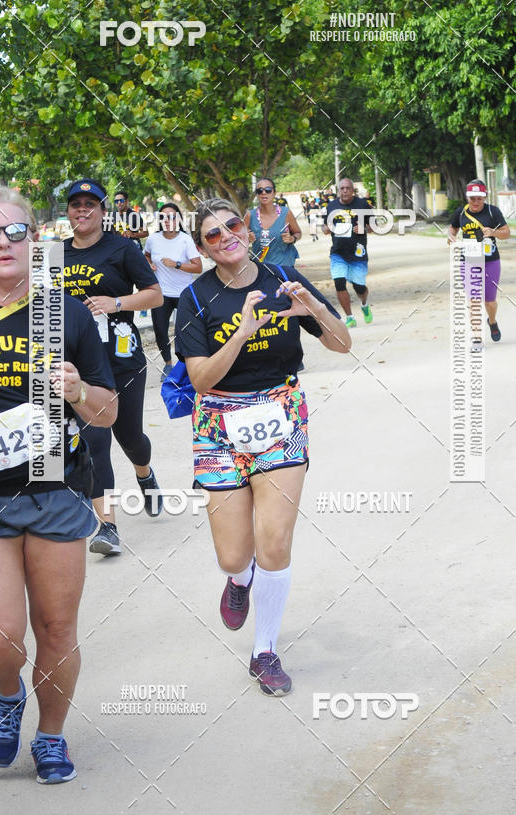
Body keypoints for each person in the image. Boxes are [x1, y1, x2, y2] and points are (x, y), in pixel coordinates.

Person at [0, 187, 117, 783]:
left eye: (15, 232)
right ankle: (7, 693)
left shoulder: (64, 313)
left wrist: (78, 391)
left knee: (55, 628)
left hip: (55, 487)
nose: (3, 243)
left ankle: (51, 735)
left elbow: (106, 412)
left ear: (36, 238)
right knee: (1, 637)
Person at [175, 198, 351, 696]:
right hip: (218, 421)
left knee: (274, 540)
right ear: (203, 248)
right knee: (234, 555)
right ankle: (239, 579)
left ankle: (265, 650)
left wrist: (313, 309)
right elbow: (200, 380)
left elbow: (342, 344)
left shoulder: (282, 278)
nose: (226, 236)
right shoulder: (195, 299)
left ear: (248, 232)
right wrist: (242, 333)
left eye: (232, 225)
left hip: (280, 411)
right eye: (212, 234)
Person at [63, 179, 164, 556]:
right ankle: (107, 527)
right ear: (67, 212)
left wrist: (116, 303)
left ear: (103, 211)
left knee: (130, 437)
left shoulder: (122, 247)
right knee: (95, 441)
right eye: (76, 204)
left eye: (90, 204)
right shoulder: (53, 255)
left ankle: (144, 473)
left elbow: (155, 295)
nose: (82, 209)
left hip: (122, 358)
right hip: (81, 364)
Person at [143, 201, 202, 381]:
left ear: (178, 219)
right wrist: (149, 264)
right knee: (160, 331)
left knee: (183, 331)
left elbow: (198, 267)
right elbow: (146, 255)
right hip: (161, 294)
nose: (167, 220)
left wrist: (176, 264)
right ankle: (168, 364)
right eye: (163, 217)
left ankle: (187, 365)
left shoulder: (185, 240)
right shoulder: (153, 239)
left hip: (183, 293)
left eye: (171, 216)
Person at [447, 179, 510, 342]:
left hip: (491, 261)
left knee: (489, 301)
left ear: (485, 197)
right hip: (469, 261)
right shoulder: (461, 212)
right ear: (467, 197)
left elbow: (506, 233)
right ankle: (476, 336)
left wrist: (494, 233)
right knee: (474, 300)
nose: (475, 202)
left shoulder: (492, 212)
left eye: (479, 198)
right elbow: (453, 227)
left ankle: (492, 321)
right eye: (472, 198)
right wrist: (451, 236)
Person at [322, 177, 375, 327]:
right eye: (342, 188)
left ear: (353, 190)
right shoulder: (331, 206)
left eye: (348, 188)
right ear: (338, 190)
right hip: (338, 253)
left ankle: (364, 305)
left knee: (359, 288)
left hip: (358, 254)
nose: (345, 191)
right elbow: (324, 226)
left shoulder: (362, 205)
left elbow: (374, 226)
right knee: (339, 283)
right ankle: (349, 317)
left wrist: (364, 228)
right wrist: (326, 229)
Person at [246, 177, 302, 267]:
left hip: (284, 267)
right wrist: (246, 239)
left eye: (268, 190)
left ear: (274, 192)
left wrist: (292, 238)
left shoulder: (286, 213)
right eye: (260, 190)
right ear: (257, 194)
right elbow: (239, 240)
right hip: (261, 268)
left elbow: (298, 233)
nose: (264, 192)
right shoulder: (250, 216)